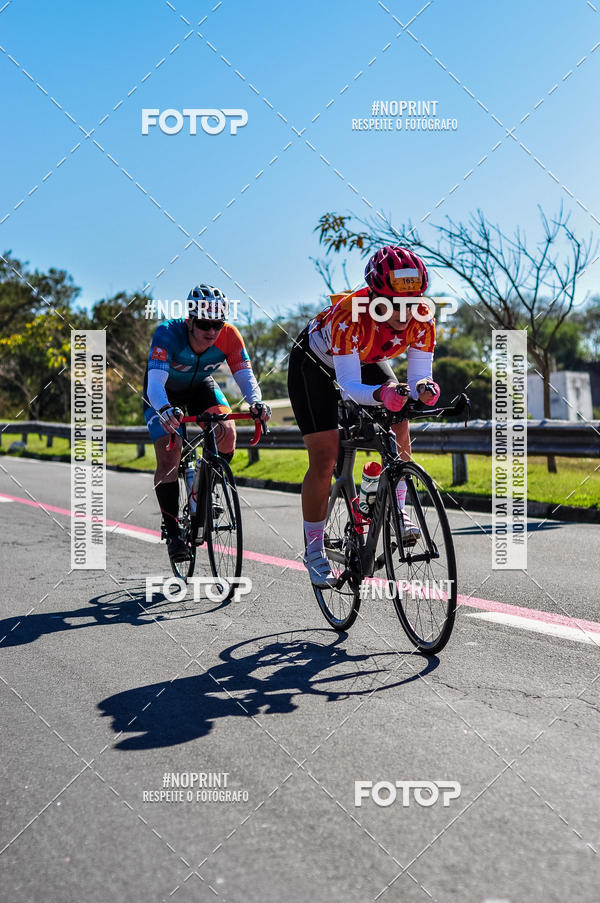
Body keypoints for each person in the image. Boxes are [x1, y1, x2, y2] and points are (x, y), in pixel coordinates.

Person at [287, 246, 440, 586]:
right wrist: (383, 394)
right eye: (393, 304)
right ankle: (314, 551)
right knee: (325, 457)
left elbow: (417, 378)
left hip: (367, 358)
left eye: (412, 302)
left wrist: (424, 389)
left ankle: (397, 510)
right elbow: (347, 386)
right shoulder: (349, 315)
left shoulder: (424, 316)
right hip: (315, 366)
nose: (404, 312)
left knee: (400, 419)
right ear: (372, 296)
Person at [143, 284, 270, 561]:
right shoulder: (168, 333)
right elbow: (155, 385)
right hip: (164, 393)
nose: (211, 331)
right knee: (169, 454)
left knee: (227, 433)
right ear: (189, 320)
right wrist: (165, 410)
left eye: (217, 323)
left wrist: (256, 403)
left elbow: (245, 377)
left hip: (201, 386)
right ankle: (174, 532)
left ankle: (203, 492)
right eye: (204, 324)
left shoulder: (229, 336)